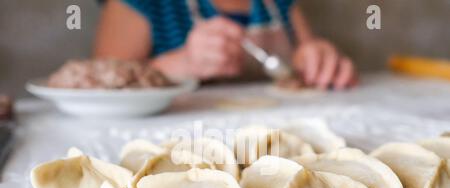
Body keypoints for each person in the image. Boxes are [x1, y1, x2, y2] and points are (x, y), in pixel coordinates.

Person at [95, 0, 357, 90]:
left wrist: (318, 60)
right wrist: (184, 62)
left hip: (271, 141)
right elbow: (100, 83)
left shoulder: (280, 3)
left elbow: (301, 62)